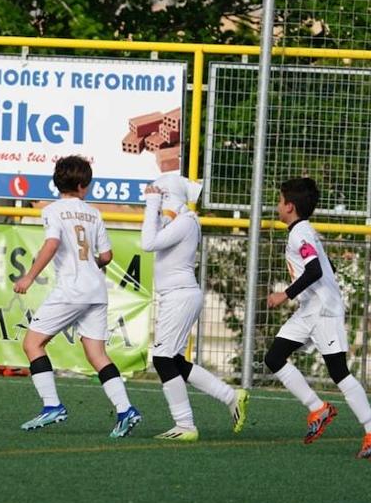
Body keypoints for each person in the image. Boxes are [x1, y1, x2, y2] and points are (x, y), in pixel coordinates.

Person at [12, 155, 142, 438]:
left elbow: (52, 243)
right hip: (96, 289)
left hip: (72, 289)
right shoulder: (93, 213)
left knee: (33, 343)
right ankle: (125, 410)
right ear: (83, 186)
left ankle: (52, 406)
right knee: (97, 354)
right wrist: (88, 266)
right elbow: (106, 256)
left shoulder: (52, 210)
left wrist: (29, 277)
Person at [264, 177, 371, 458]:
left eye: (279, 200)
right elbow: (325, 265)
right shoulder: (303, 231)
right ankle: (318, 409)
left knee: (339, 372)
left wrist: (283, 295)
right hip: (309, 309)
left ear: (290, 206)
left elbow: (315, 271)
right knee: (274, 358)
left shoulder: (300, 234)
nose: (277, 205)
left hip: (322, 311)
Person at [141, 174, 249, 440]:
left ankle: (185, 425)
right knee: (175, 360)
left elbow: (147, 243)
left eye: (163, 196)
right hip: (177, 295)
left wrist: (151, 202)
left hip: (180, 295)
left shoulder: (188, 221)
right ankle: (231, 396)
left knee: (162, 359)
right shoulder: (180, 220)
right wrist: (155, 207)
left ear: (170, 196)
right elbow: (153, 233)